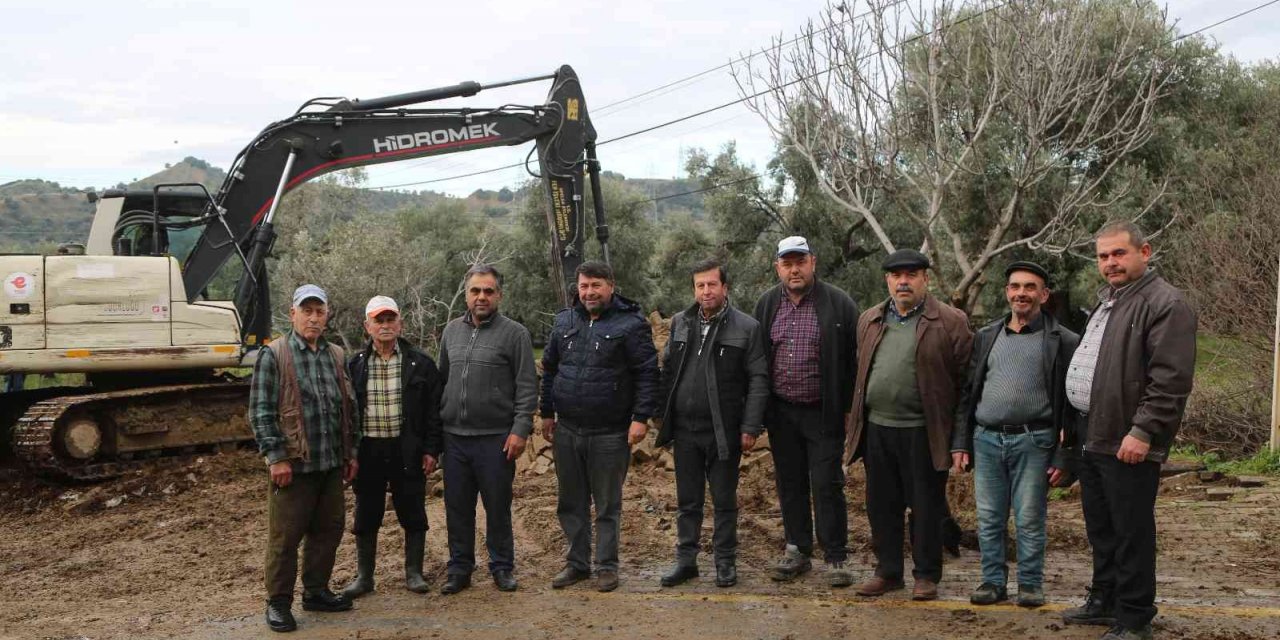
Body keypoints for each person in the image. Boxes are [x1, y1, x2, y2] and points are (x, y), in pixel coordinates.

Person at [1060, 222, 1196, 640]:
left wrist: (1143, 431)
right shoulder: (1109, 302)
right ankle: (1105, 599)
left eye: (1118, 253)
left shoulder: (1165, 303)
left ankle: (1135, 617)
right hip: (1093, 432)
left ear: (1145, 252)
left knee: (1131, 529)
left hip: (1127, 437)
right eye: (1103, 256)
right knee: (1101, 525)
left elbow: (1170, 380)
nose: (1110, 263)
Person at [846, 249, 972, 601]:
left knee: (926, 505)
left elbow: (965, 385)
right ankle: (887, 572)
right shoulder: (869, 320)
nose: (903, 281)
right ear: (887, 280)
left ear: (925, 279)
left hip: (924, 430)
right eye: (896, 275)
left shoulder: (950, 321)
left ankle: (926, 575)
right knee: (881, 504)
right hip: (877, 429)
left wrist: (960, 439)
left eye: (911, 275)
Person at [952, 262, 1079, 608]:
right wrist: (961, 442)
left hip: (1035, 442)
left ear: (1044, 294)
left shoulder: (1063, 340)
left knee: (1029, 517)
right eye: (1015, 286)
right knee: (989, 518)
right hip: (987, 440)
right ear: (1007, 291)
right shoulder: (986, 336)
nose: (1021, 293)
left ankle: (1030, 585)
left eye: (1029, 287)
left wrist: (1065, 454)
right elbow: (968, 393)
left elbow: (1075, 405)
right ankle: (992, 582)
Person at [540, 261, 660, 592]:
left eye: (596, 285)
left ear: (610, 285)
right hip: (568, 430)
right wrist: (546, 412)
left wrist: (640, 418)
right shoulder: (565, 320)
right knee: (571, 502)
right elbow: (550, 369)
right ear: (576, 289)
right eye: (584, 286)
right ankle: (577, 564)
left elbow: (647, 373)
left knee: (607, 505)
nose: (589, 292)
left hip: (610, 432)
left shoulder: (631, 324)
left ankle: (607, 566)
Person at [249, 284, 358, 633]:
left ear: (327, 315)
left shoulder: (337, 355)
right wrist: (275, 457)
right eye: (306, 310)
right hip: (292, 467)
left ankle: (316, 592)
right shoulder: (274, 355)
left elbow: (349, 409)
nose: (313, 317)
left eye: (319, 311)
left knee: (328, 531)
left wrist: (350, 453)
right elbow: (261, 412)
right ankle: (279, 603)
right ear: (293, 313)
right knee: (285, 538)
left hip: (329, 465)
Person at [655, 258, 769, 588]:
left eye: (712, 285)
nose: (706, 291)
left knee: (723, 501)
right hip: (685, 432)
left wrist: (750, 427)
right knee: (687, 501)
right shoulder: (680, 322)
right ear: (694, 289)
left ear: (725, 288)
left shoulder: (747, 327)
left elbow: (759, 380)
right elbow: (667, 372)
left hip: (724, 432)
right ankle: (686, 561)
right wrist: (662, 415)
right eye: (700, 285)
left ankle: (725, 563)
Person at [752, 236, 859, 587]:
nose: (794, 269)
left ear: (813, 262)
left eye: (800, 261)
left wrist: (849, 409)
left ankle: (836, 556)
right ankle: (797, 549)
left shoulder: (839, 304)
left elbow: (854, 361)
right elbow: (757, 361)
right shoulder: (767, 305)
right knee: (790, 483)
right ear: (777, 267)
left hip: (824, 412)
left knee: (828, 483)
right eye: (787, 263)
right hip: (781, 413)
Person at [436, 265, 538, 595]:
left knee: (497, 507)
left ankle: (502, 567)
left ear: (499, 295)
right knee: (457, 508)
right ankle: (460, 568)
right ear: (466, 294)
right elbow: (442, 381)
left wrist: (520, 430)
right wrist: (437, 433)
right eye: (475, 291)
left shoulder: (515, 334)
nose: (481, 297)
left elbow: (526, 387)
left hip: (496, 439)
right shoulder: (451, 331)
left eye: (488, 291)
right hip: (454, 439)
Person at [342, 295, 444, 600]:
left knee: (412, 510)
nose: (385, 326)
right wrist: (350, 453)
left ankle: (414, 572)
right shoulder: (355, 365)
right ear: (367, 326)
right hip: (369, 451)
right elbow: (347, 412)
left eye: (390, 319)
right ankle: (364, 577)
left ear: (400, 323)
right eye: (379, 320)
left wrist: (431, 449)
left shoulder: (421, 363)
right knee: (367, 513)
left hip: (407, 449)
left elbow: (433, 412)